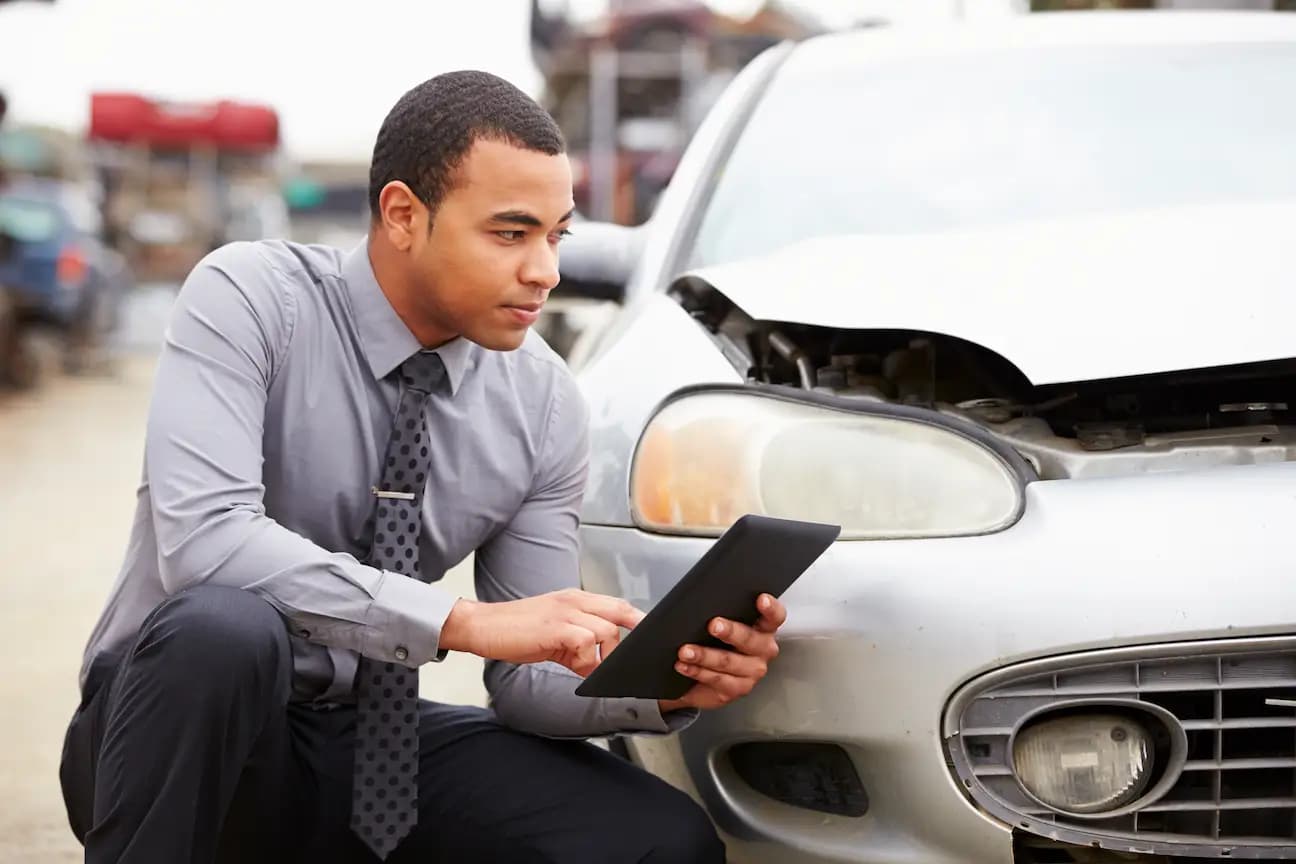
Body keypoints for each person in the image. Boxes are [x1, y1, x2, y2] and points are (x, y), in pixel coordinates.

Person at [58, 70, 787, 864]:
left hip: (363, 746)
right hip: (172, 735)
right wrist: (458, 623)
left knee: (655, 840)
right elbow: (205, 541)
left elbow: (528, 687)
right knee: (224, 630)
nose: (544, 270)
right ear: (403, 215)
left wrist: (663, 680)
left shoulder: (543, 402)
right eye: (511, 234)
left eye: (556, 236)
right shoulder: (250, 299)